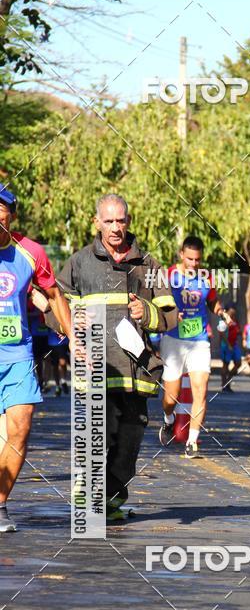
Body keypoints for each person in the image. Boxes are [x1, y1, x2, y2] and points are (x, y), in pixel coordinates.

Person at [57, 193, 177, 521]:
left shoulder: (148, 264)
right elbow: (55, 307)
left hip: (136, 372)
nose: (115, 227)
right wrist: (70, 321)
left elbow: (171, 315)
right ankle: (90, 501)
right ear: (97, 223)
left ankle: (110, 499)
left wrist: (148, 311)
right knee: (100, 432)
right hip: (94, 368)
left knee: (130, 439)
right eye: (108, 221)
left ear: (129, 221)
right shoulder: (80, 263)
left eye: (120, 220)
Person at [0, 185, 72, 533]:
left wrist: (75, 338)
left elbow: (54, 294)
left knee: (21, 427)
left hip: (17, 354)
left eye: (2, 214)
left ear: (11, 217)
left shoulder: (29, 253)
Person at [158, 235, 230, 458]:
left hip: (199, 339)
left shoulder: (207, 277)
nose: (194, 264)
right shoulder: (168, 275)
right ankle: (168, 420)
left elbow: (212, 301)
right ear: (181, 254)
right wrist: (169, 314)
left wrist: (221, 311)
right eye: (190, 259)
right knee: (171, 397)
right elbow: (157, 300)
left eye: (197, 260)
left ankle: (192, 441)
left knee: (201, 389)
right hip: (173, 339)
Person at [219, 306, 241, 392]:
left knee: (238, 363)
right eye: (231, 313)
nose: (233, 314)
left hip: (234, 345)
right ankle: (224, 385)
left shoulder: (234, 320)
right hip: (226, 346)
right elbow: (222, 334)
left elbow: (236, 330)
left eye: (234, 313)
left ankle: (228, 379)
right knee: (225, 364)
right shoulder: (223, 321)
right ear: (227, 312)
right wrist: (228, 345)